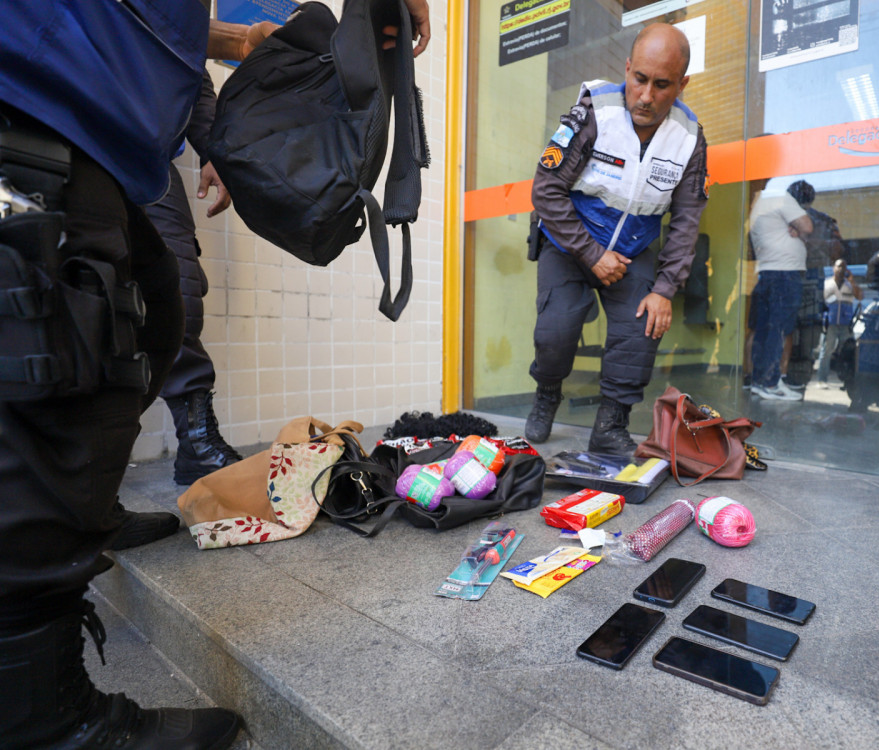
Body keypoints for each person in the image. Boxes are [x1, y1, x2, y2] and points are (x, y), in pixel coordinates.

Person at [0, 4, 430, 749]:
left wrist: (237, 49)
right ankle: (48, 723)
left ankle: (88, 509)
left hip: (104, 114)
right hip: (36, 87)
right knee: (62, 374)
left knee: (156, 310)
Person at [524, 23, 708, 453]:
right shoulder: (594, 111)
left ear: (682, 85)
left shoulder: (690, 139)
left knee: (644, 324)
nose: (645, 96)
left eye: (661, 85)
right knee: (557, 329)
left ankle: (610, 426)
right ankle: (547, 392)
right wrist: (590, 254)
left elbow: (686, 220)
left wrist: (665, 289)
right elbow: (546, 189)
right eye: (639, 79)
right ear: (626, 68)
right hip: (571, 240)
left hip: (632, 249)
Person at [142, 72, 244, 486]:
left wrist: (213, 148)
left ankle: (198, 444)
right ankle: (90, 491)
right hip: (64, 135)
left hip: (145, 156)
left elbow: (188, 70)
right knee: (84, 305)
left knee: (177, 289)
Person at [746, 181, 812, 400]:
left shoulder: (760, 202)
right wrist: (799, 228)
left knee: (765, 330)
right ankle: (771, 383)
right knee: (778, 330)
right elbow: (808, 226)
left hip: (768, 273)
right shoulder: (782, 198)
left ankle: (759, 381)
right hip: (784, 274)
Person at [815, 259, 862, 388]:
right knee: (827, 350)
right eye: (838, 266)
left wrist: (852, 281)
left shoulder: (850, 284)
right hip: (830, 322)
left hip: (846, 324)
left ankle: (847, 381)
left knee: (846, 351)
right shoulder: (827, 284)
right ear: (833, 268)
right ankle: (821, 379)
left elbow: (860, 297)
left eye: (844, 267)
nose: (841, 269)